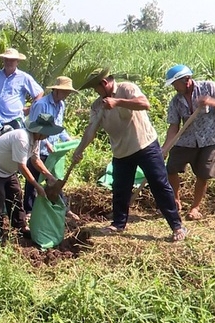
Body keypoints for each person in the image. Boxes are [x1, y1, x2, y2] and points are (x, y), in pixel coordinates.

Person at [72, 68, 188, 241]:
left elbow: (144, 103)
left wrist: (117, 102)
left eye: (95, 88)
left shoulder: (127, 88)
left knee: (160, 185)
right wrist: (79, 150)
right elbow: (91, 130)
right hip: (121, 152)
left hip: (145, 145)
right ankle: (118, 224)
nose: (95, 92)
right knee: (120, 189)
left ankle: (177, 226)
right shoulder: (97, 105)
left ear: (104, 83)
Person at [161, 64, 215, 220]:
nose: (174, 87)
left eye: (175, 83)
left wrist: (211, 102)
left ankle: (195, 208)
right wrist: (165, 148)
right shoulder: (176, 101)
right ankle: (175, 200)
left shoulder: (208, 87)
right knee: (171, 168)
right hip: (186, 140)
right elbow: (173, 126)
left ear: (186, 80)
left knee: (203, 174)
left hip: (209, 140)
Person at [0, 113, 61, 241]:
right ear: (40, 131)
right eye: (47, 132)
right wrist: (37, 186)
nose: (48, 136)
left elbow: (36, 160)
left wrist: (49, 176)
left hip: (7, 170)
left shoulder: (36, 140)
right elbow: (22, 167)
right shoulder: (22, 139)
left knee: (16, 194)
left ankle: (20, 226)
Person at [23, 76, 78, 218]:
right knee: (33, 179)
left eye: (68, 93)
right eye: (64, 92)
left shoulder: (61, 105)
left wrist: (68, 139)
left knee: (54, 179)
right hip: (38, 148)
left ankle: (63, 207)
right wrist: (44, 142)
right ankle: (29, 210)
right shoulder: (41, 104)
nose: (66, 96)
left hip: (53, 150)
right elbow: (34, 127)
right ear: (56, 90)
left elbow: (58, 126)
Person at [0, 47, 43, 129]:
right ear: (3, 60)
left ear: (17, 62)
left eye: (12, 60)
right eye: (6, 59)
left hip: (15, 120)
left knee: (15, 141)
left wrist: (30, 109)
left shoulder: (24, 77)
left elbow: (39, 93)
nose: (8, 62)